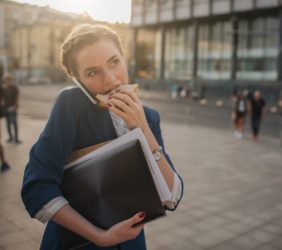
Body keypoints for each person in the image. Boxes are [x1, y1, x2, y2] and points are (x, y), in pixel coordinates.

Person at [21, 24, 183, 250]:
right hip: (78, 244)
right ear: (75, 78)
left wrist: (143, 129)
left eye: (114, 62)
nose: (111, 80)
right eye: (92, 72)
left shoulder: (149, 117)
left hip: (132, 243)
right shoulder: (71, 105)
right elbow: (36, 188)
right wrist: (100, 236)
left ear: (124, 58)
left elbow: (172, 197)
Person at [3, 74, 21, 144]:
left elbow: (17, 97)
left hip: (13, 108)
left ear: (11, 80)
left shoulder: (14, 88)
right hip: (6, 108)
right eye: (6, 80)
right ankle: (10, 137)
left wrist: (15, 105)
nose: (7, 81)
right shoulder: (4, 88)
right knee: (7, 123)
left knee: (14, 123)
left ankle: (16, 138)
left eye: (9, 80)